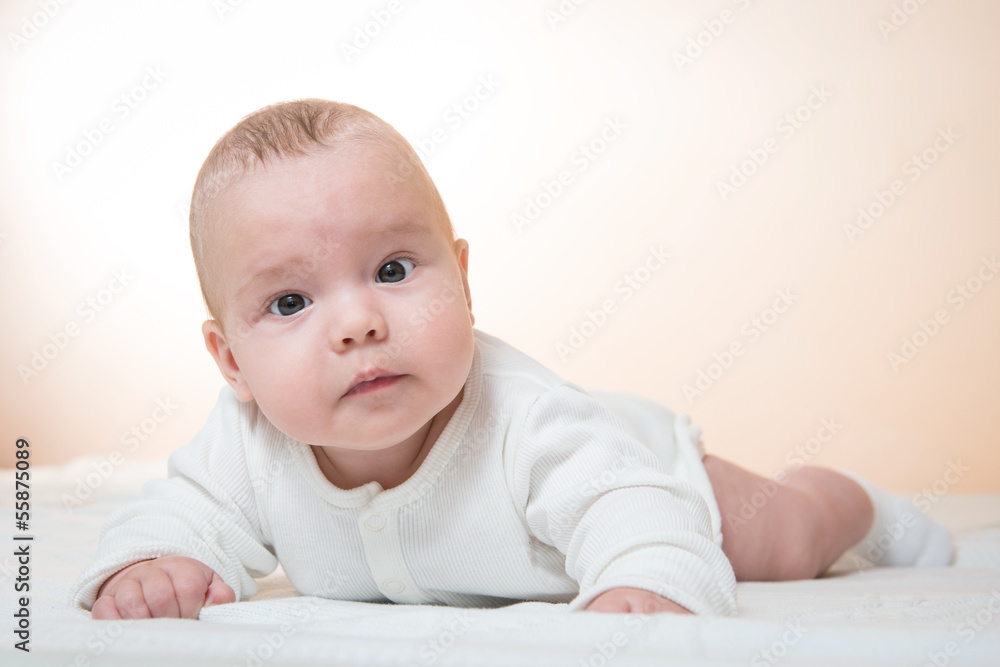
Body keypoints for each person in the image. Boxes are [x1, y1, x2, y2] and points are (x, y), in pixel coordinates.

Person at [69, 99, 953, 621]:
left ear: (461, 276)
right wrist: (153, 564)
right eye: (291, 302)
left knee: (783, 540)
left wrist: (644, 579)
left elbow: (630, 506)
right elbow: (183, 512)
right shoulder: (247, 442)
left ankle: (849, 501)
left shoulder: (526, 419)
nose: (358, 323)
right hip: (608, 469)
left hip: (649, 464)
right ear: (230, 360)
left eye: (391, 270)